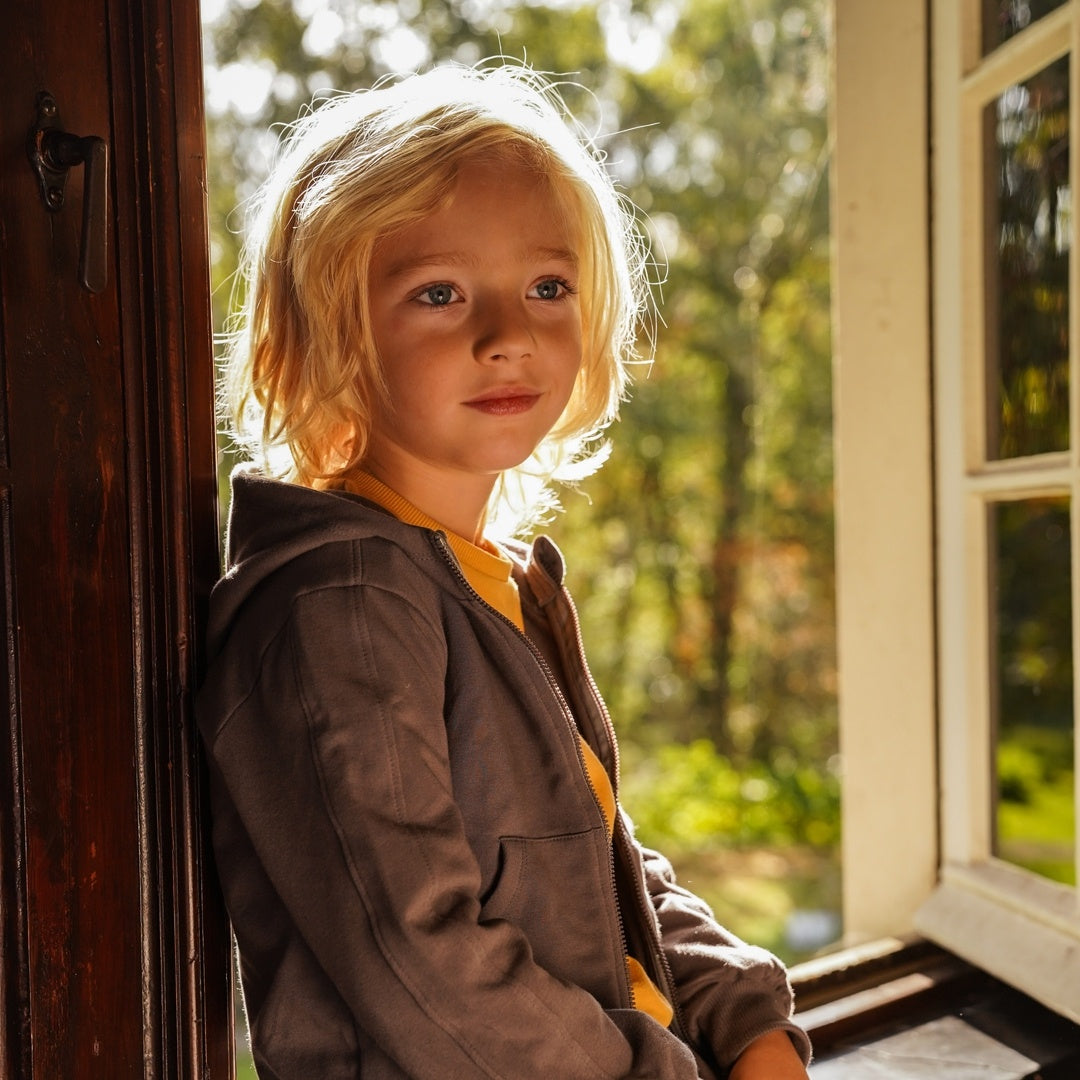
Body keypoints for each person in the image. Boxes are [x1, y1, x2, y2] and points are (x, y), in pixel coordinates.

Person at [198, 63, 812, 1080]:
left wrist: (746, 1020)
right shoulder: (339, 609)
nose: (507, 337)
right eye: (437, 294)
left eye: (546, 287)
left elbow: (604, 856)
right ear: (329, 335)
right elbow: (420, 960)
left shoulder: (486, 576)